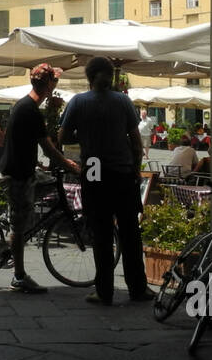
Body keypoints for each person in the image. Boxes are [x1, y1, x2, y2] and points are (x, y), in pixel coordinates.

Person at [60, 55, 150, 305]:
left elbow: (63, 137)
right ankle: (138, 289)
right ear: (110, 77)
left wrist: (86, 137)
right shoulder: (123, 101)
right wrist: (136, 168)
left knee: (100, 232)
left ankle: (104, 291)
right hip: (122, 171)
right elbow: (135, 139)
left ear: (88, 77)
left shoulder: (78, 102)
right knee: (130, 231)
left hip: (93, 169)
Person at [0, 63, 79, 294]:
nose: (57, 86)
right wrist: (69, 164)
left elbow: (35, 140)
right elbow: (48, 147)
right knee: (20, 225)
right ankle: (19, 276)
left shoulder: (27, 105)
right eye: (55, 82)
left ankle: (15, 236)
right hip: (17, 175)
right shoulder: (30, 110)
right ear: (49, 84)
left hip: (23, 169)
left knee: (44, 186)